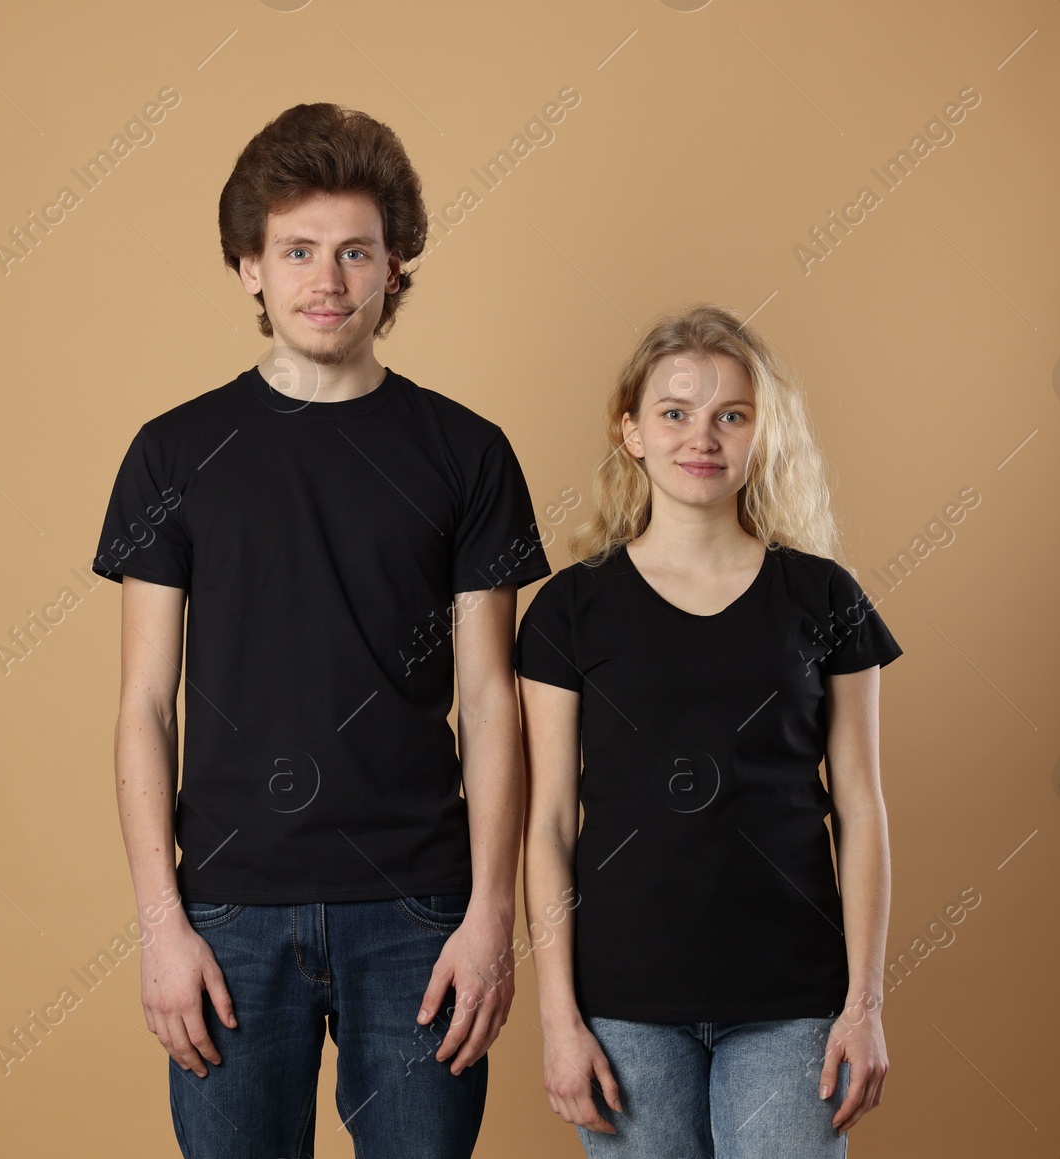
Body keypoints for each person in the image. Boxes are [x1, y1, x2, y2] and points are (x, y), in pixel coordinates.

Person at [91, 102, 551, 1158]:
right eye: (297, 251)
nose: (327, 280)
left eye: (355, 252)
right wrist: (163, 927)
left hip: (418, 914)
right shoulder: (174, 453)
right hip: (230, 914)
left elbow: (491, 705)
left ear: (397, 268)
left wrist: (490, 919)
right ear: (249, 266)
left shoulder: (467, 453)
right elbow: (143, 706)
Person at [514, 304, 902, 1157]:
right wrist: (558, 1019)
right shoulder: (568, 611)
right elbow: (545, 824)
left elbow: (863, 812)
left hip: (793, 1002)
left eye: (732, 414)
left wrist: (863, 1006)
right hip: (622, 1005)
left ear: (762, 434)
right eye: (675, 412)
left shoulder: (825, 599)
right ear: (633, 434)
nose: (704, 436)